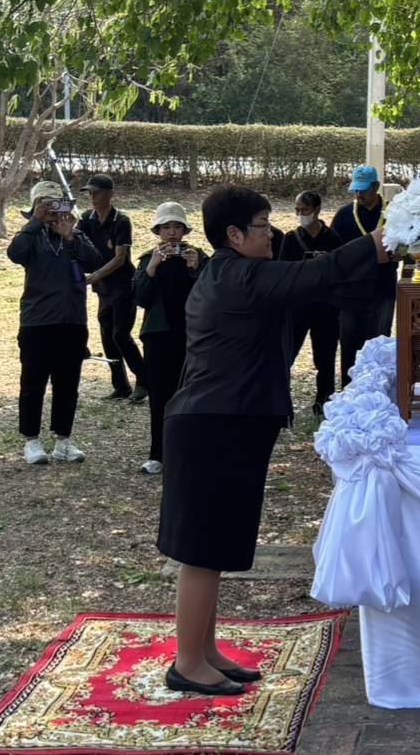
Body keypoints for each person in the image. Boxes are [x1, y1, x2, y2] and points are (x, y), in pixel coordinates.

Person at [157, 185, 387, 696]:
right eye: (263, 225)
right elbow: (316, 273)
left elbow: (313, 284)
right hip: (211, 424)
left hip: (228, 420)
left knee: (219, 544)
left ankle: (205, 650)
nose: (272, 233)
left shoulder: (235, 272)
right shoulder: (238, 275)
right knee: (201, 548)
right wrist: (375, 241)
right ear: (234, 235)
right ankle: (187, 662)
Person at [7, 182, 100, 465]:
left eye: (56, 204)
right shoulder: (31, 237)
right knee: (33, 382)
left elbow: (94, 261)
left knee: (67, 383)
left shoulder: (75, 234)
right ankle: (31, 441)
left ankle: (63, 440)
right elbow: (15, 253)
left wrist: (71, 236)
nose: (51, 210)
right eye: (44, 204)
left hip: (72, 320)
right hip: (37, 321)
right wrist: (35, 223)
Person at [133, 201, 208, 475]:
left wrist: (197, 269)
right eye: (166, 227)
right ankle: (158, 454)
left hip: (193, 336)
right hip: (159, 336)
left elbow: (212, 294)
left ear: (185, 230)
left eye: (177, 226)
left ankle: (190, 451)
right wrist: (152, 266)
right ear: (158, 231)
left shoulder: (199, 256)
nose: (172, 233)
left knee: (192, 393)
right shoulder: (146, 259)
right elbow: (140, 298)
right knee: (160, 395)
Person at [77, 174, 147, 402]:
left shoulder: (121, 221)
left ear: (110, 194)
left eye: (96, 192)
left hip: (124, 286)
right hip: (103, 288)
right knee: (107, 336)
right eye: (90, 193)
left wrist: (94, 275)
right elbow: (75, 242)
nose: (92, 197)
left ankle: (144, 380)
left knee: (121, 334)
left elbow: (120, 258)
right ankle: (121, 385)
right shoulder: (87, 218)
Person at [330, 164, 398, 385]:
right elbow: (334, 252)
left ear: (376, 187)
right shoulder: (344, 216)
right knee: (349, 343)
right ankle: (349, 390)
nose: (359, 195)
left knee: (378, 342)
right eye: (356, 190)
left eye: (364, 190)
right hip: (350, 292)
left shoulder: (393, 214)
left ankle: (378, 389)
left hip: (382, 289)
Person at [278, 190, 343, 417]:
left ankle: (324, 402)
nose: (300, 214)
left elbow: (339, 273)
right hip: (297, 308)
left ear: (316, 210)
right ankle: (280, 402)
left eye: (304, 210)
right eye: (297, 210)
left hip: (326, 309)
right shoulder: (290, 239)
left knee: (325, 358)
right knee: (287, 355)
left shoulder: (333, 239)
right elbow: (282, 273)